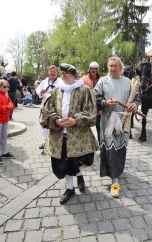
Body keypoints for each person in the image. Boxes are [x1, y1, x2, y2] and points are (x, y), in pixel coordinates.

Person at [41, 63, 98, 204]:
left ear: (74, 75)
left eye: (67, 72)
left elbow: (90, 112)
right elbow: (47, 110)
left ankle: (79, 175)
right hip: (59, 134)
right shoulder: (55, 91)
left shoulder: (84, 90)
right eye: (63, 73)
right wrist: (56, 120)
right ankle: (70, 188)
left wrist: (76, 120)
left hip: (77, 136)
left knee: (75, 160)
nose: (64, 74)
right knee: (63, 161)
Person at [94, 57, 139, 198]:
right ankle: (114, 182)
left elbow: (137, 97)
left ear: (121, 68)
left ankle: (116, 174)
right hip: (108, 120)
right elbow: (94, 96)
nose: (112, 68)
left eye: (115, 66)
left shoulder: (128, 82)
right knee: (110, 149)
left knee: (119, 149)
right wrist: (105, 102)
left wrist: (135, 104)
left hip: (123, 120)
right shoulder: (103, 81)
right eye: (110, 66)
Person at [0, 79, 16, 164]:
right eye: (4, 86)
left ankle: (4, 153)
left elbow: (12, 105)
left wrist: (7, 107)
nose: (6, 88)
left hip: (5, 118)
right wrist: (8, 108)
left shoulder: (6, 95)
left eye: (7, 86)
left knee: (4, 136)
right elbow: (0, 108)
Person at [36, 66, 60, 149]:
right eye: (51, 72)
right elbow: (38, 90)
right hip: (45, 106)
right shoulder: (44, 81)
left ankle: (55, 142)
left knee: (56, 124)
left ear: (57, 73)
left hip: (56, 107)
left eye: (54, 72)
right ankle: (44, 141)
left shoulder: (60, 82)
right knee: (44, 124)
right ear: (48, 72)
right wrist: (40, 92)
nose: (52, 73)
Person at [82, 61, 101, 141]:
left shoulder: (102, 80)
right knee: (84, 130)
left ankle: (101, 146)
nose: (93, 70)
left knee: (100, 129)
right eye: (92, 69)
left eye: (95, 69)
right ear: (89, 69)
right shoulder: (83, 79)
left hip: (99, 110)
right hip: (87, 109)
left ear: (97, 70)